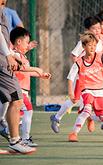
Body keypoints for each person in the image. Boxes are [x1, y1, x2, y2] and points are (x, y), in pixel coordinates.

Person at [50, 16, 102, 134]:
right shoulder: (83, 43)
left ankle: (89, 119)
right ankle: (57, 118)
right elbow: (74, 55)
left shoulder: (100, 43)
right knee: (75, 100)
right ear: (88, 30)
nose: (98, 30)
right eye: (94, 28)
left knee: (90, 102)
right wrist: (82, 67)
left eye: (99, 28)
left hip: (93, 78)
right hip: (82, 78)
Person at [0, 1, 35, 154]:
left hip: (5, 58)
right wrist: (9, 55)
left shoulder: (5, 12)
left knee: (13, 99)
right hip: (2, 63)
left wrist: (12, 54)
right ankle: (15, 140)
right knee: (16, 98)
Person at [10, 27, 51, 147]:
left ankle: (15, 133)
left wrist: (40, 75)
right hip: (18, 90)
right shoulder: (15, 56)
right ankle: (24, 139)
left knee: (19, 115)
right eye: (26, 43)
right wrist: (37, 69)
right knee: (28, 110)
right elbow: (22, 68)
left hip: (22, 91)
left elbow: (26, 72)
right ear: (18, 42)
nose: (28, 46)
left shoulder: (22, 57)